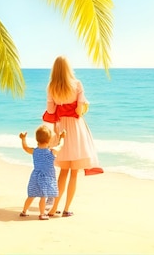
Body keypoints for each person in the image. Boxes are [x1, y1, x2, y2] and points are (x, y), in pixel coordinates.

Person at [43, 56, 103, 217]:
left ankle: (54, 208)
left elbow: (50, 112)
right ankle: (67, 209)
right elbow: (78, 111)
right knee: (74, 172)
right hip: (76, 128)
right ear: (69, 68)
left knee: (63, 171)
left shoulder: (51, 87)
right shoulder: (77, 84)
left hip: (61, 128)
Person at [19, 125, 66, 220]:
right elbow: (60, 145)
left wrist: (23, 139)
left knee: (31, 195)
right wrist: (62, 137)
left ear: (37, 139)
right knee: (43, 196)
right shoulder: (52, 152)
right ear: (49, 140)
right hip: (46, 177)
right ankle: (42, 214)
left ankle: (24, 211)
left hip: (35, 176)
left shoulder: (34, 151)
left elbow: (25, 147)